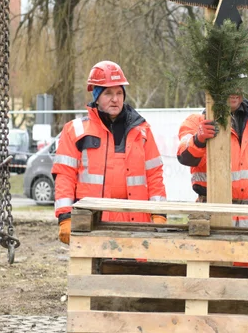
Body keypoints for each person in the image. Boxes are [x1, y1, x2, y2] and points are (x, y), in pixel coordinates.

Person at [53, 61, 167, 243]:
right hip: (92, 220)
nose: (115, 99)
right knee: (93, 269)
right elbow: (65, 176)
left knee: (134, 271)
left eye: (119, 93)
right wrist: (65, 217)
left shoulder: (142, 131)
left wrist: (159, 213)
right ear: (96, 97)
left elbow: (154, 174)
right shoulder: (75, 131)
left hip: (135, 220)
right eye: (108, 93)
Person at [176, 93, 248, 228]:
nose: (234, 93)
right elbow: (184, 156)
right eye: (229, 87)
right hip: (214, 218)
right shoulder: (197, 122)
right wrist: (198, 141)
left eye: (238, 86)